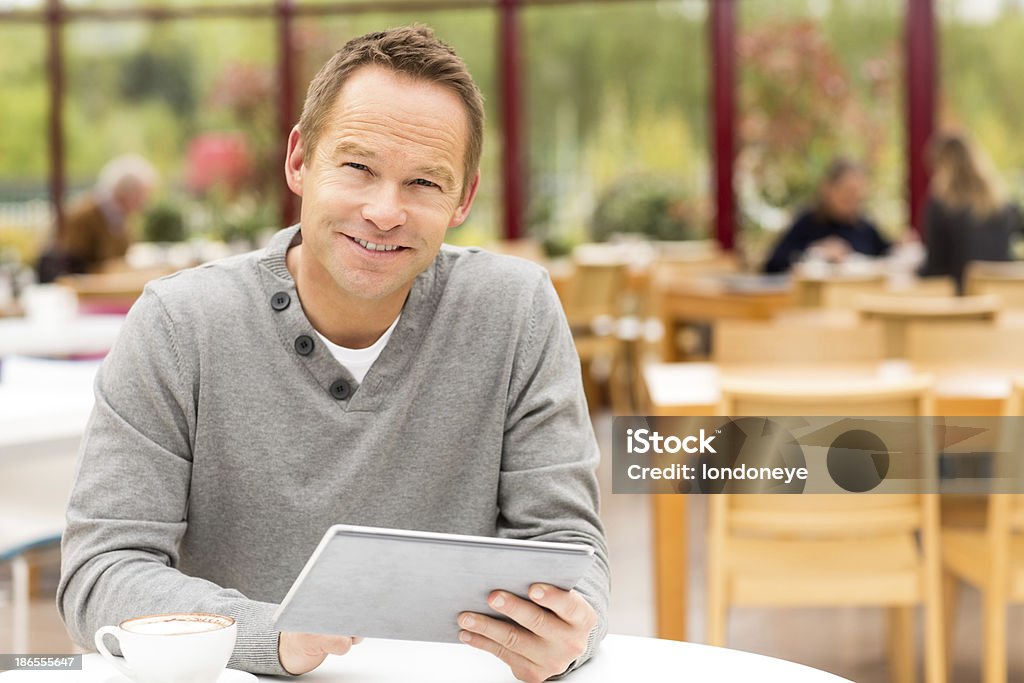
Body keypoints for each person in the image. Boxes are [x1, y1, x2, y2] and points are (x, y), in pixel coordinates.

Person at [57, 26, 609, 682]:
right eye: (358, 167)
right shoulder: (179, 324)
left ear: (463, 198)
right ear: (299, 160)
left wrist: (573, 630)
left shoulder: (514, 313)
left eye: (425, 183)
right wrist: (274, 635)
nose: (384, 211)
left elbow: (570, 553)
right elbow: (101, 573)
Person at [918, 132, 1022, 294]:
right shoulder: (1005, 205)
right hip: (1001, 302)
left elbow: (934, 270)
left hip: (960, 308)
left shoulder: (941, 207)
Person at [36, 154, 158, 283]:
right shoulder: (85, 215)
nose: (145, 203)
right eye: (143, 196)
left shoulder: (118, 216)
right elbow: (72, 266)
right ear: (127, 193)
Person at [763, 158, 891, 273]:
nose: (853, 199)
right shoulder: (807, 223)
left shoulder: (864, 226)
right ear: (828, 189)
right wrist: (816, 253)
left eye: (858, 194)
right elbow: (772, 266)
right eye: (847, 192)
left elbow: (888, 256)